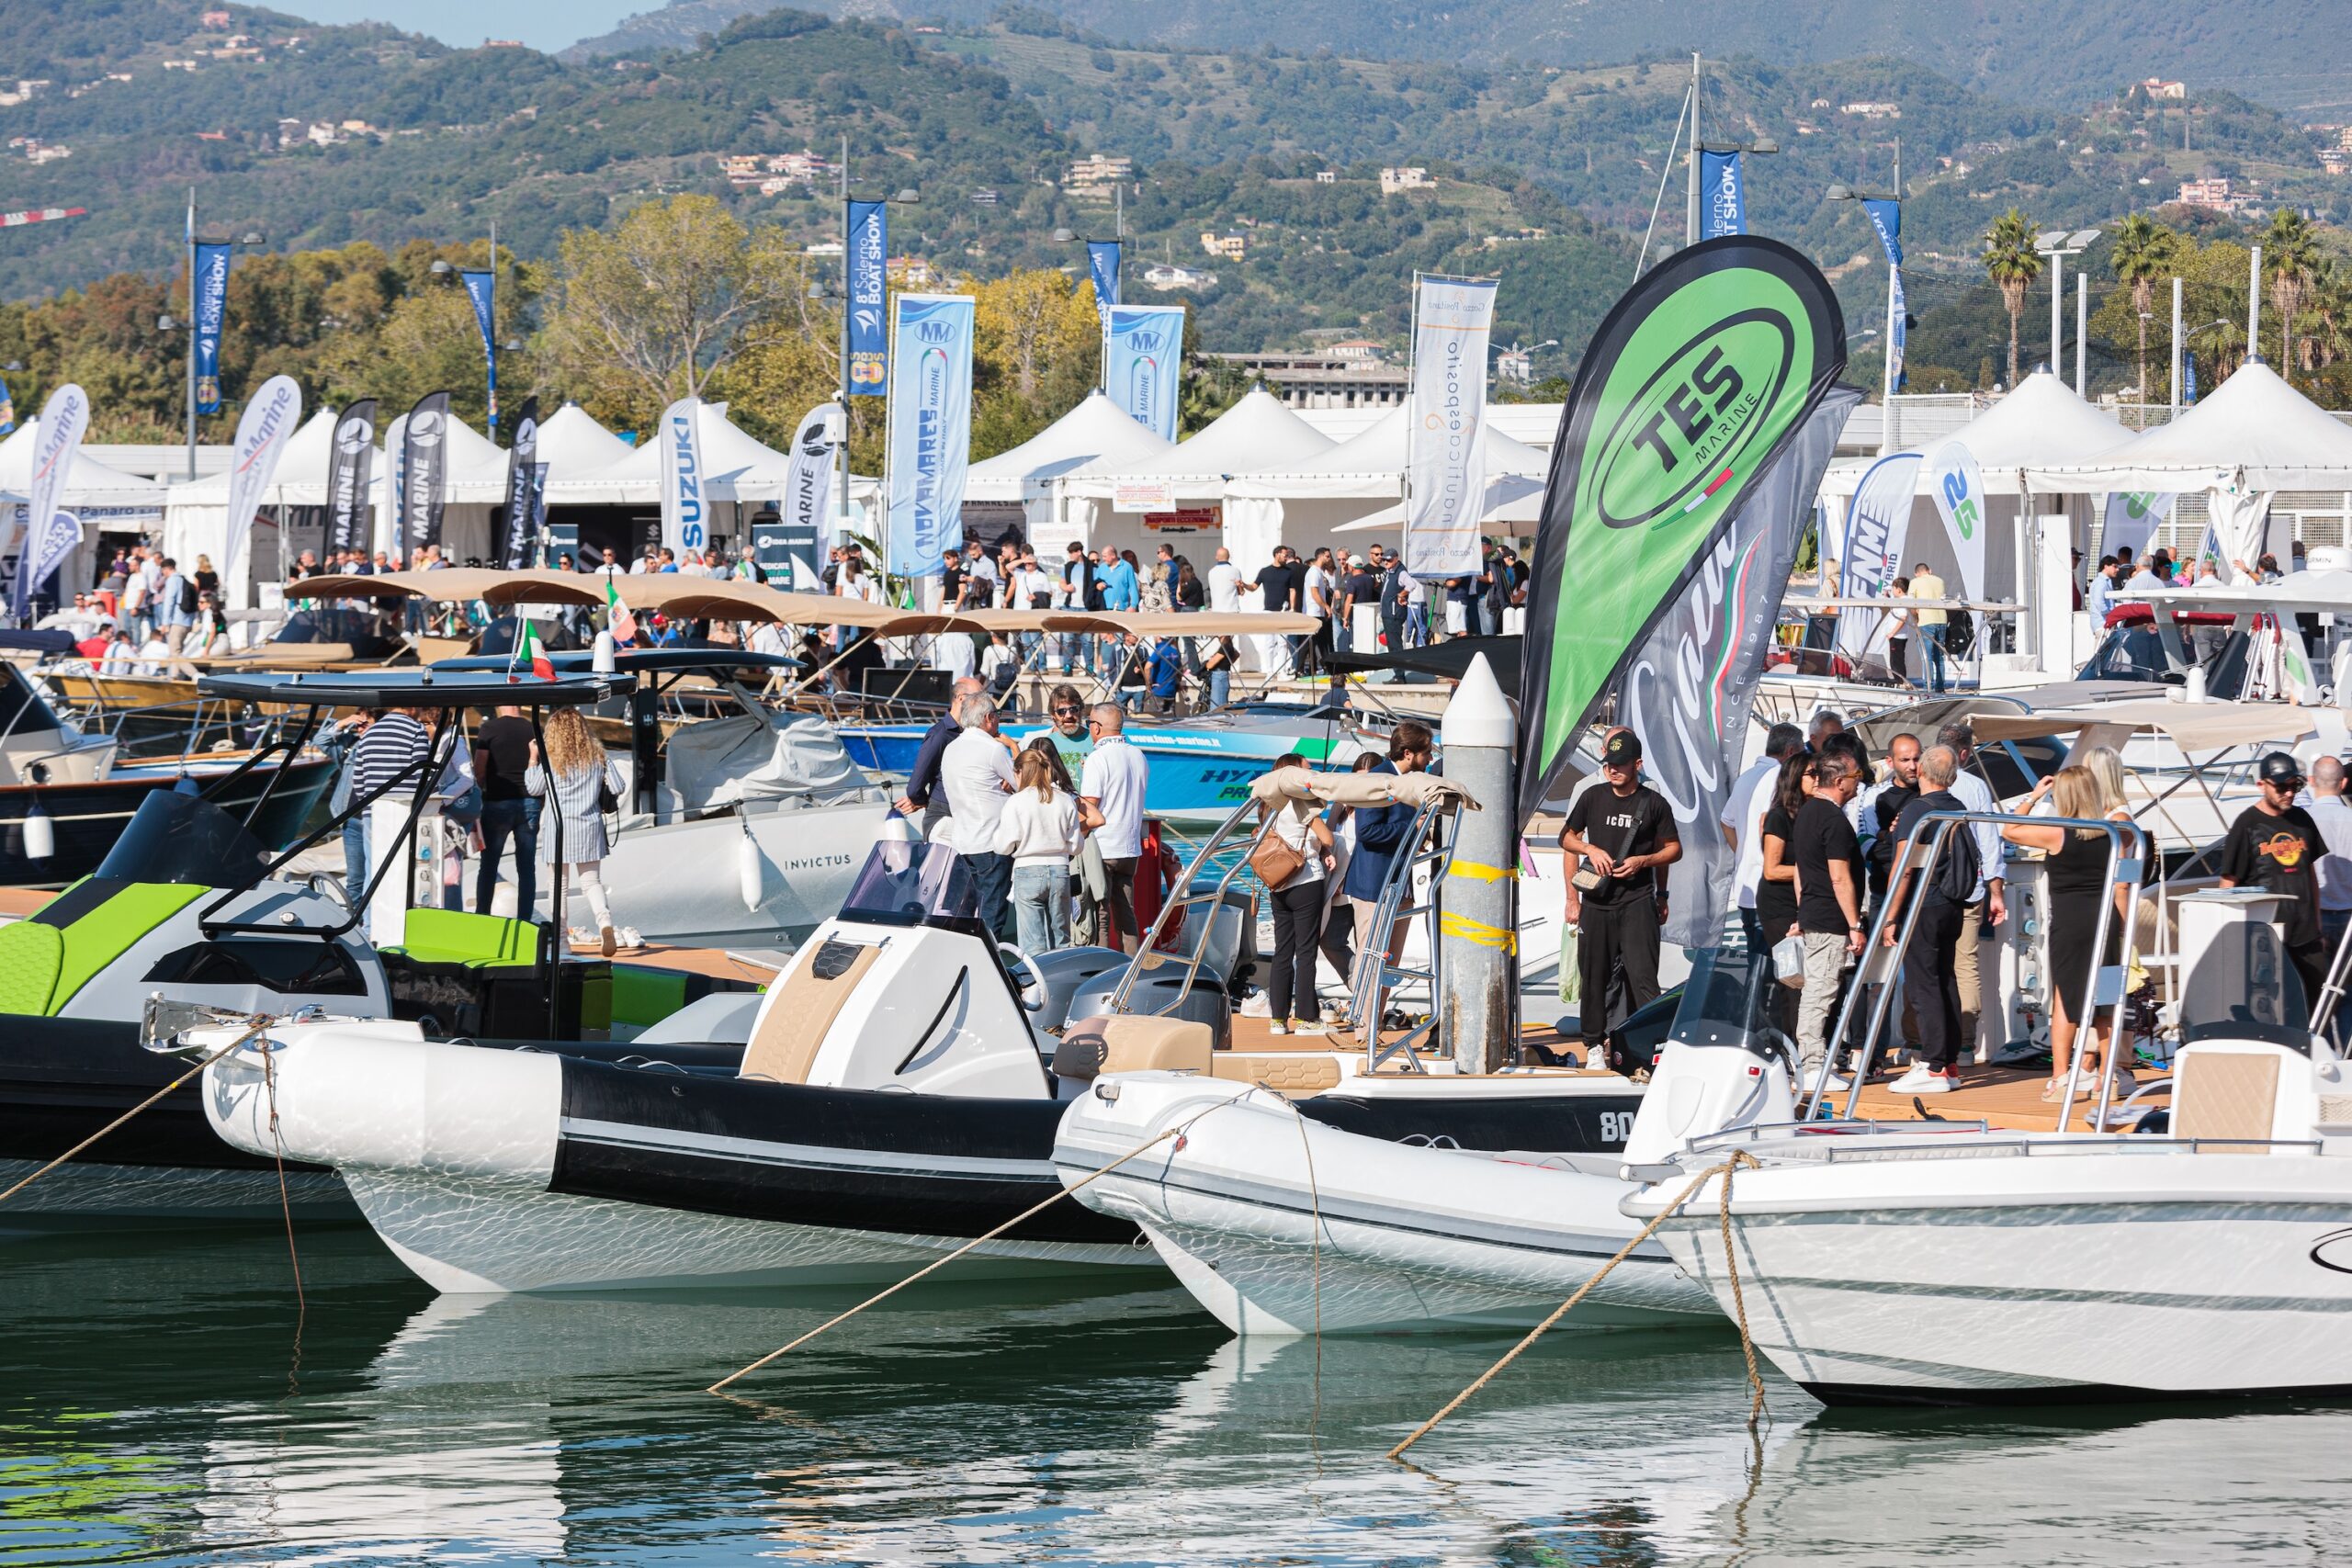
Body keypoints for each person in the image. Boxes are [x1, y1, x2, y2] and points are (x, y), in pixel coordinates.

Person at [2005, 762, 2140, 1102]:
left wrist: (2033, 797)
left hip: (2070, 923)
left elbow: (2009, 829)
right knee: (2106, 1001)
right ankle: (2106, 1080)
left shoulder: (2057, 832)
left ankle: (2061, 1078)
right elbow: (2123, 882)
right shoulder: (2113, 833)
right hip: (2104, 921)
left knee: (2065, 998)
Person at [1557, 730, 1681, 1073]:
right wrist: (1589, 849)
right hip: (1597, 902)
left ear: (1637, 764)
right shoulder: (1592, 796)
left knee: (1643, 979)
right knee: (1594, 977)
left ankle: (1654, 1047)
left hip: (1637, 901)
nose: (1613, 770)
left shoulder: (1653, 802)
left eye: (1621, 764)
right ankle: (1594, 1046)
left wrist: (1644, 863)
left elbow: (1674, 848)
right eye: (1609, 764)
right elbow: (1566, 837)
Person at [1881, 745, 1978, 1095]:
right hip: (1953, 904)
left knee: (1923, 984)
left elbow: (1905, 868)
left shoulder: (1917, 811)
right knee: (1945, 979)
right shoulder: (1957, 806)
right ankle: (1948, 1062)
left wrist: (1890, 916)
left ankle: (1933, 1065)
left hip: (1924, 904)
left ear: (1921, 771)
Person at [2221, 750, 2331, 1014]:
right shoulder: (2246, 825)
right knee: (2274, 1012)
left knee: (2316, 1011)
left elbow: (2310, 874)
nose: (2290, 793)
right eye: (2282, 787)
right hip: (2265, 941)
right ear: (2262, 785)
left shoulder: (2302, 819)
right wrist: (2232, 942)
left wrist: (2317, 924)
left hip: (2306, 937)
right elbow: (2227, 884)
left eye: (2295, 786)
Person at [1791, 752, 1867, 1090]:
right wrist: (1854, 923)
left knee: (1817, 991)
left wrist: (1801, 911)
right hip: (1829, 919)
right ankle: (1811, 1065)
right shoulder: (1833, 820)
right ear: (1839, 782)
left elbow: (1799, 872)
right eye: (1856, 776)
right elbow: (1839, 877)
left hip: (1814, 912)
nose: (1858, 782)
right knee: (1820, 993)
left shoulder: (1807, 813)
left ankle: (1812, 1063)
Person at [525, 705, 628, 956]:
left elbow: (533, 788)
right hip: (588, 826)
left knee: (557, 886)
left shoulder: (550, 758)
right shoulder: (597, 756)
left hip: (558, 829)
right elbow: (618, 785)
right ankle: (605, 923)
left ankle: (561, 943)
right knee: (591, 882)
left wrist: (532, 757)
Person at [1937, 719, 2008, 1058]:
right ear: (1964, 752)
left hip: (1929, 889)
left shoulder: (1921, 779)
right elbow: (1989, 842)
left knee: (1926, 963)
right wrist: (1996, 891)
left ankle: (1919, 1042)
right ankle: (1965, 1043)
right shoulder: (1974, 786)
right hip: (1969, 888)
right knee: (1966, 964)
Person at [1257, 752, 1340, 1036]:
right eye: (1307, 769)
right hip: (1305, 879)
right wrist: (1326, 847)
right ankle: (1306, 1018)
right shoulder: (1301, 802)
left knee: (1283, 951)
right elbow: (1327, 837)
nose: (1311, 772)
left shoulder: (1268, 805)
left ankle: (1278, 1019)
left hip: (1278, 882)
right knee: (1306, 952)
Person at [1723, 722, 1806, 967]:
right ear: (1791, 752)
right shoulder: (1780, 778)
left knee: (1758, 968)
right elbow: (1766, 822)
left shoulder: (1745, 778)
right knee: (1783, 973)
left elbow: (1726, 822)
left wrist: (1743, 853)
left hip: (1746, 887)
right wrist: (1767, 856)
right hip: (1773, 890)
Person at [942, 691, 1019, 942]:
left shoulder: (951, 749)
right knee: (993, 910)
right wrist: (1014, 747)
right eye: (997, 716)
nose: (998, 722)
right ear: (988, 718)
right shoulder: (993, 749)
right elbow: (1023, 785)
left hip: (963, 841)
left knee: (971, 910)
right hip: (991, 840)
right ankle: (988, 961)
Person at [339, 705, 430, 913]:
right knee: (405, 871)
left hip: (374, 812)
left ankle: (371, 927)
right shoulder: (416, 730)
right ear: (412, 707)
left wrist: (373, 802)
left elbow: (359, 782)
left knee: (374, 871)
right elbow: (421, 777)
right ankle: (402, 921)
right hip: (404, 812)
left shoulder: (370, 733)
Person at [1080, 703, 1150, 953]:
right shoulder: (1137, 755)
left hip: (1103, 845)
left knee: (1100, 913)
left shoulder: (1098, 758)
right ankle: (1131, 964)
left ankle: (1102, 968)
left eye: (1089, 723)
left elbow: (1090, 806)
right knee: (1125, 913)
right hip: (1129, 847)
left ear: (1097, 727)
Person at [472, 704, 542, 918]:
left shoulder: (489, 729)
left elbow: (480, 770)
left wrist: (477, 799)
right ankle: (525, 921)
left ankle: (483, 916)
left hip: (497, 801)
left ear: (500, 705)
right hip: (530, 801)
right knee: (527, 867)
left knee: (489, 865)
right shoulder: (534, 728)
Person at [898, 674, 985, 837]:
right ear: (960, 698)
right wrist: (927, 802)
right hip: (945, 819)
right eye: (979, 697)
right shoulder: (940, 735)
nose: (984, 702)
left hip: (965, 818)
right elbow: (915, 786)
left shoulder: (970, 732)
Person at [2308, 755, 2352, 954]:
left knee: (2317, 983)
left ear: (2311, 780)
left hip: (2316, 915)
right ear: (2343, 782)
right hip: (2349, 914)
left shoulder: (2302, 821)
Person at [1910, 560, 1950, 693]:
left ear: (1916, 574)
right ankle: (1940, 687)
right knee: (1940, 656)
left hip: (1926, 621)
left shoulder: (1915, 582)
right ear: (1930, 570)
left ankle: (1928, 687)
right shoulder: (1940, 581)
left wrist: (1915, 617)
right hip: (1942, 620)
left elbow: (1911, 604)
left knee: (1926, 656)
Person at [1147, 635, 1182, 715]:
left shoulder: (1159, 650)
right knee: (1169, 718)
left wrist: (1148, 683)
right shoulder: (1175, 651)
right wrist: (1178, 682)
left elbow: (1147, 667)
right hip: (1171, 690)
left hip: (1158, 690)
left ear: (1159, 637)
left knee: (1157, 720)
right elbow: (1180, 669)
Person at [1206, 546, 1243, 615]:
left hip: (1216, 610)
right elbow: (1241, 592)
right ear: (1229, 557)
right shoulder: (1235, 571)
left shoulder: (1211, 572)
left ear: (1216, 557)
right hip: (1232, 609)